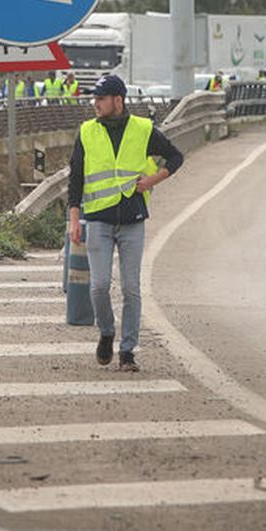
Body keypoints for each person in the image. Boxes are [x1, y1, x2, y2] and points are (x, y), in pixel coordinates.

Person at [67, 74, 183, 372]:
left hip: (132, 221)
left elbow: (175, 156)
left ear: (118, 100)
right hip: (98, 221)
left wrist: (152, 179)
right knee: (99, 286)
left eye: (101, 98)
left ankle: (128, 351)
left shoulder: (143, 129)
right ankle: (106, 331)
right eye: (95, 98)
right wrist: (74, 219)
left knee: (131, 289)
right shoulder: (87, 132)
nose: (96, 103)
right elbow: (76, 178)